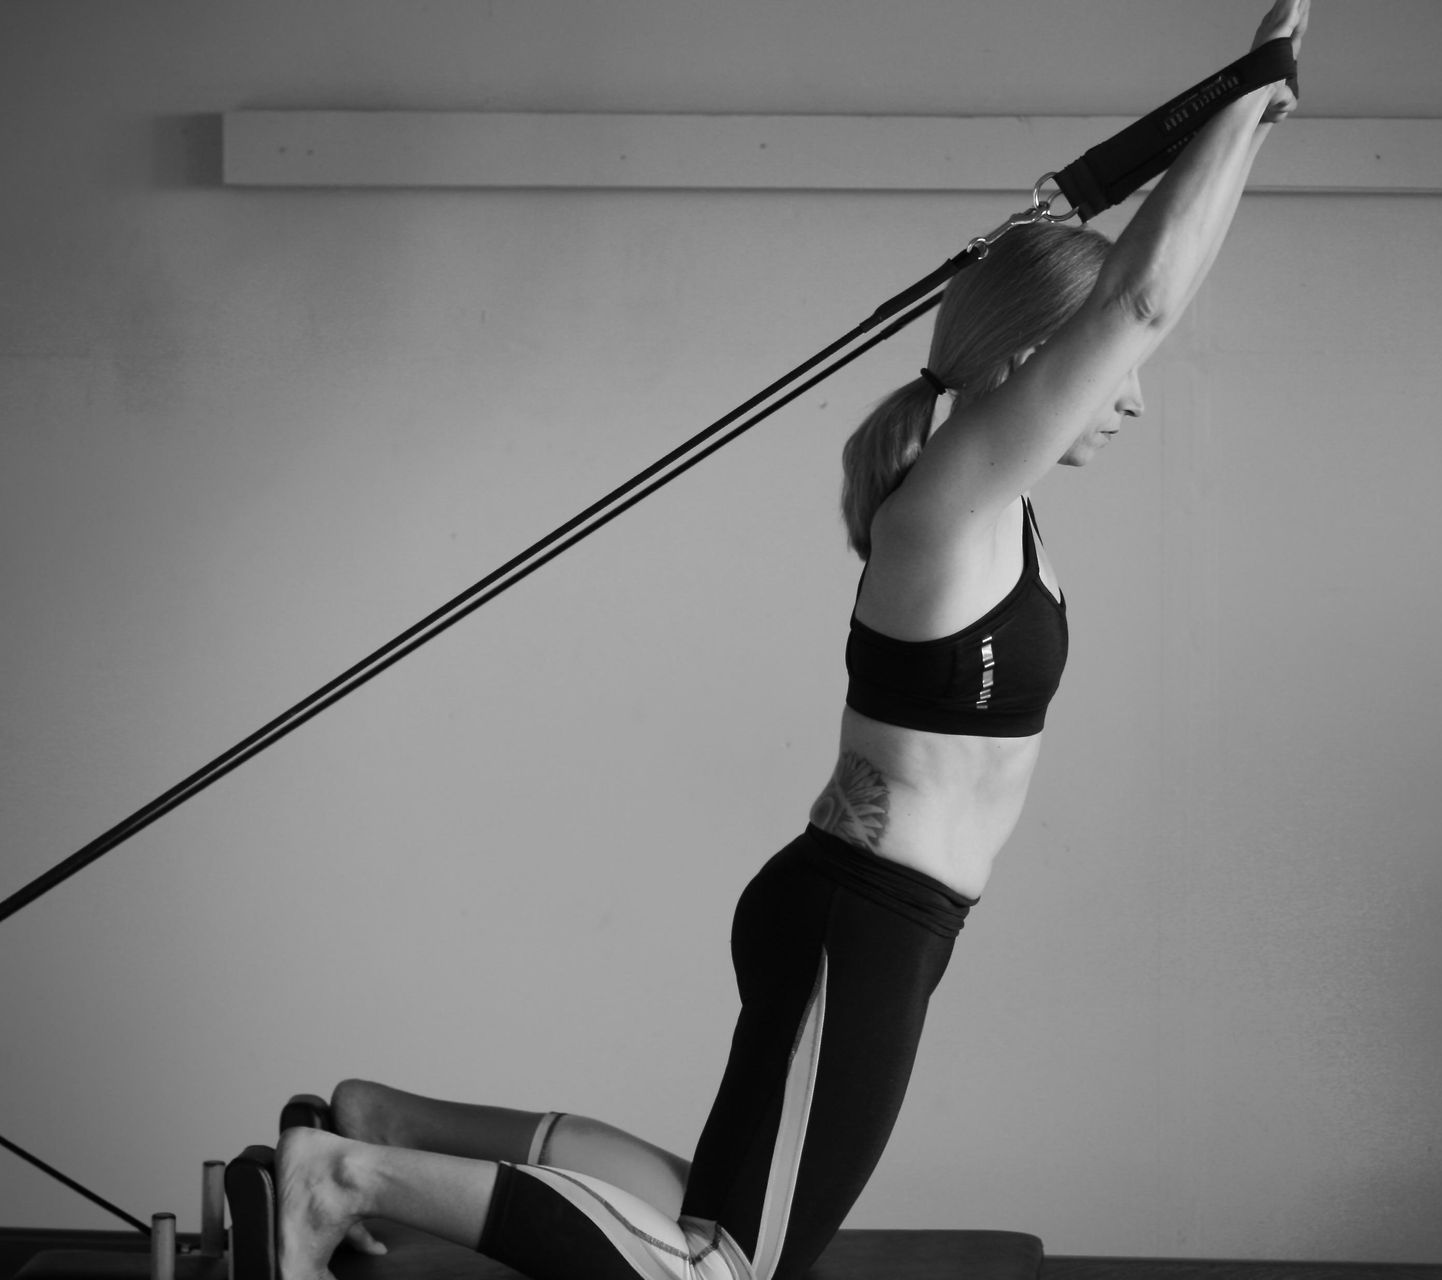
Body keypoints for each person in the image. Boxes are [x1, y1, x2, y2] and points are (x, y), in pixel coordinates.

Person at [269, 4, 1307, 1278]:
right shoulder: (950, 505)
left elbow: (1140, 309)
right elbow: (1140, 300)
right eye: (1108, 373)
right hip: (863, 921)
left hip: (867, 917)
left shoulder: (1006, 513)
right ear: (1032, 360)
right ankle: (343, 1177)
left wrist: (1249, 112)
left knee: (696, 1202)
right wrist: (1251, 95)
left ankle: (385, 1120)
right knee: (723, 1269)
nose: (1137, 395)